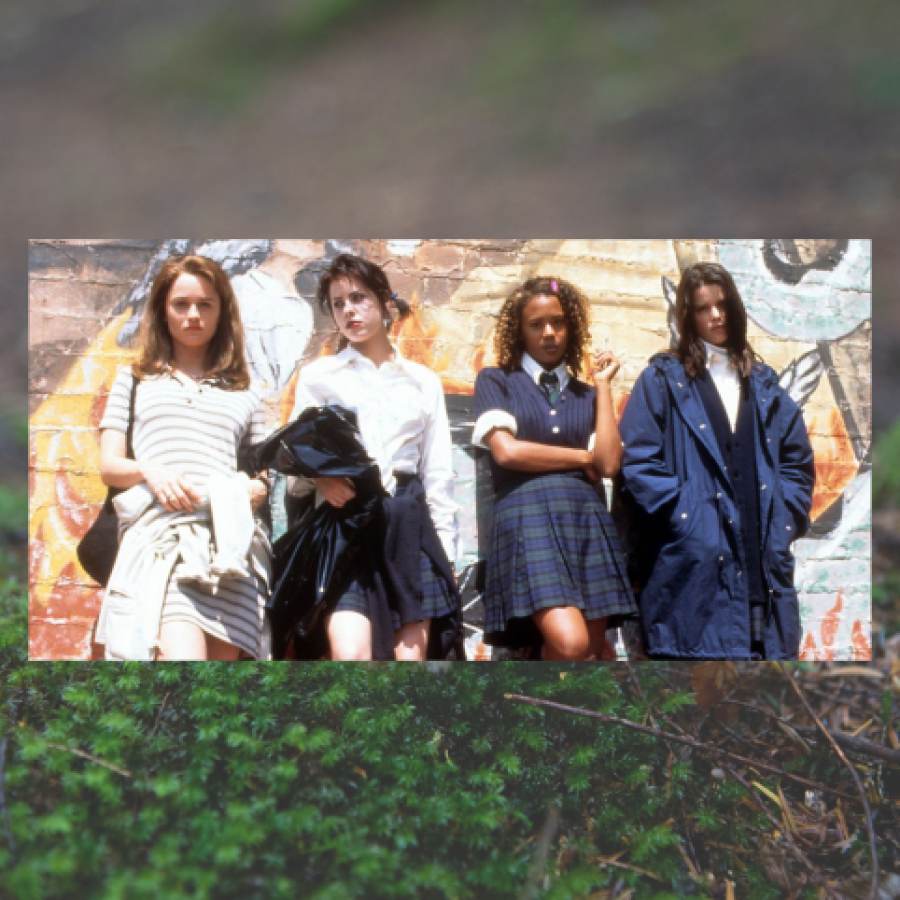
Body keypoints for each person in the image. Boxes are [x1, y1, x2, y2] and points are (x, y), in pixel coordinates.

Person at [619, 262, 815, 660]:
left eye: (722, 305)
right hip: (694, 575)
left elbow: (797, 462)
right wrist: (688, 519)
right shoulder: (662, 381)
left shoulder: (764, 385)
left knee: (758, 706)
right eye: (702, 308)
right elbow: (638, 462)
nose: (716, 316)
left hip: (762, 567)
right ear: (687, 316)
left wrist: (782, 518)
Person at [97, 254, 271, 661]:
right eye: (181, 304)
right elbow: (109, 466)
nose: (193, 315)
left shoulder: (247, 391)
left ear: (221, 311)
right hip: (165, 542)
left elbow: (263, 473)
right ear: (163, 310)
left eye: (205, 304)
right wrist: (150, 470)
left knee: (211, 704)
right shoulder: (135, 379)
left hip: (232, 550)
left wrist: (256, 488)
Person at [288, 253, 459, 661]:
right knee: (351, 655)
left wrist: (448, 554)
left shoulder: (423, 382)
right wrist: (322, 480)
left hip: (407, 524)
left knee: (409, 660)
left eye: (359, 298)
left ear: (384, 301)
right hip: (345, 525)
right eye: (338, 303)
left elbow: (438, 473)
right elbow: (294, 455)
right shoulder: (319, 377)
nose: (349, 310)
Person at [472, 276, 636, 660]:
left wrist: (603, 385)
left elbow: (609, 464)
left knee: (593, 652)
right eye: (536, 324)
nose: (549, 333)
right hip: (528, 519)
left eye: (558, 322)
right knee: (571, 643)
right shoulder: (498, 381)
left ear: (571, 327)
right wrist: (582, 458)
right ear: (520, 330)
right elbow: (507, 453)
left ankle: (557, 716)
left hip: (585, 521)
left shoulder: (588, 395)